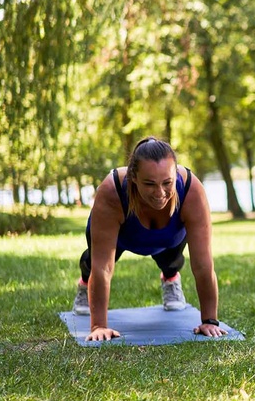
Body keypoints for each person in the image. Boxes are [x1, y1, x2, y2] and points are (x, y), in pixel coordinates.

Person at [73, 137, 227, 341]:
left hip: (168, 236)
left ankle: (171, 279)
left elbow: (203, 265)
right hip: (123, 235)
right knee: (92, 264)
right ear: (133, 177)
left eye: (167, 183)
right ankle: (84, 283)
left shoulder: (191, 190)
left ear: (175, 175)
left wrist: (210, 320)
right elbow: (103, 268)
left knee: (171, 261)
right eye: (149, 184)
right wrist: (99, 325)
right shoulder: (113, 190)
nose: (159, 193)